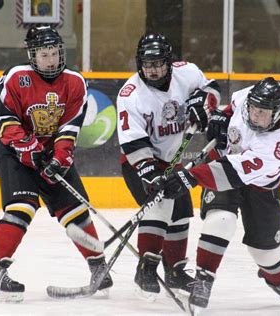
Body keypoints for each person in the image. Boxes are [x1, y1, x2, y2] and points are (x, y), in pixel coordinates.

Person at [153, 77, 280, 312]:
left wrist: (190, 177)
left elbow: (229, 172)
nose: (256, 116)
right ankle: (204, 280)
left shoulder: (275, 145)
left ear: (278, 113)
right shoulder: (250, 96)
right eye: (255, 110)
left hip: (258, 185)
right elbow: (232, 107)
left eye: (264, 113)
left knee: (266, 253)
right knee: (221, 219)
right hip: (224, 162)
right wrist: (222, 116)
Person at [0, 25, 112, 302]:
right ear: (32, 55)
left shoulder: (75, 82)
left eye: (54, 53)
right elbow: (4, 122)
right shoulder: (15, 78)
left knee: (76, 212)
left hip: (53, 155)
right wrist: (29, 148)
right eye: (44, 54)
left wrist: (61, 157)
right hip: (16, 155)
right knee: (21, 209)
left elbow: (70, 127)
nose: (51, 59)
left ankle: (99, 267)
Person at [116, 33, 221, 299]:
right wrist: (149, 172)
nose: (152, 69)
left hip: (172, 161)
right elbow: (132, 141)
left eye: (158, 63)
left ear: (169, 61)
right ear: (139, 63)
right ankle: (146, 268)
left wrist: (203, 103)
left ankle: (174, 271)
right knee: (161, 204)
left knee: (182, 211)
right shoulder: (130, 94)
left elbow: (212, 89)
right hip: (140, 161)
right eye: (147, 63)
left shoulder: (187, 73)